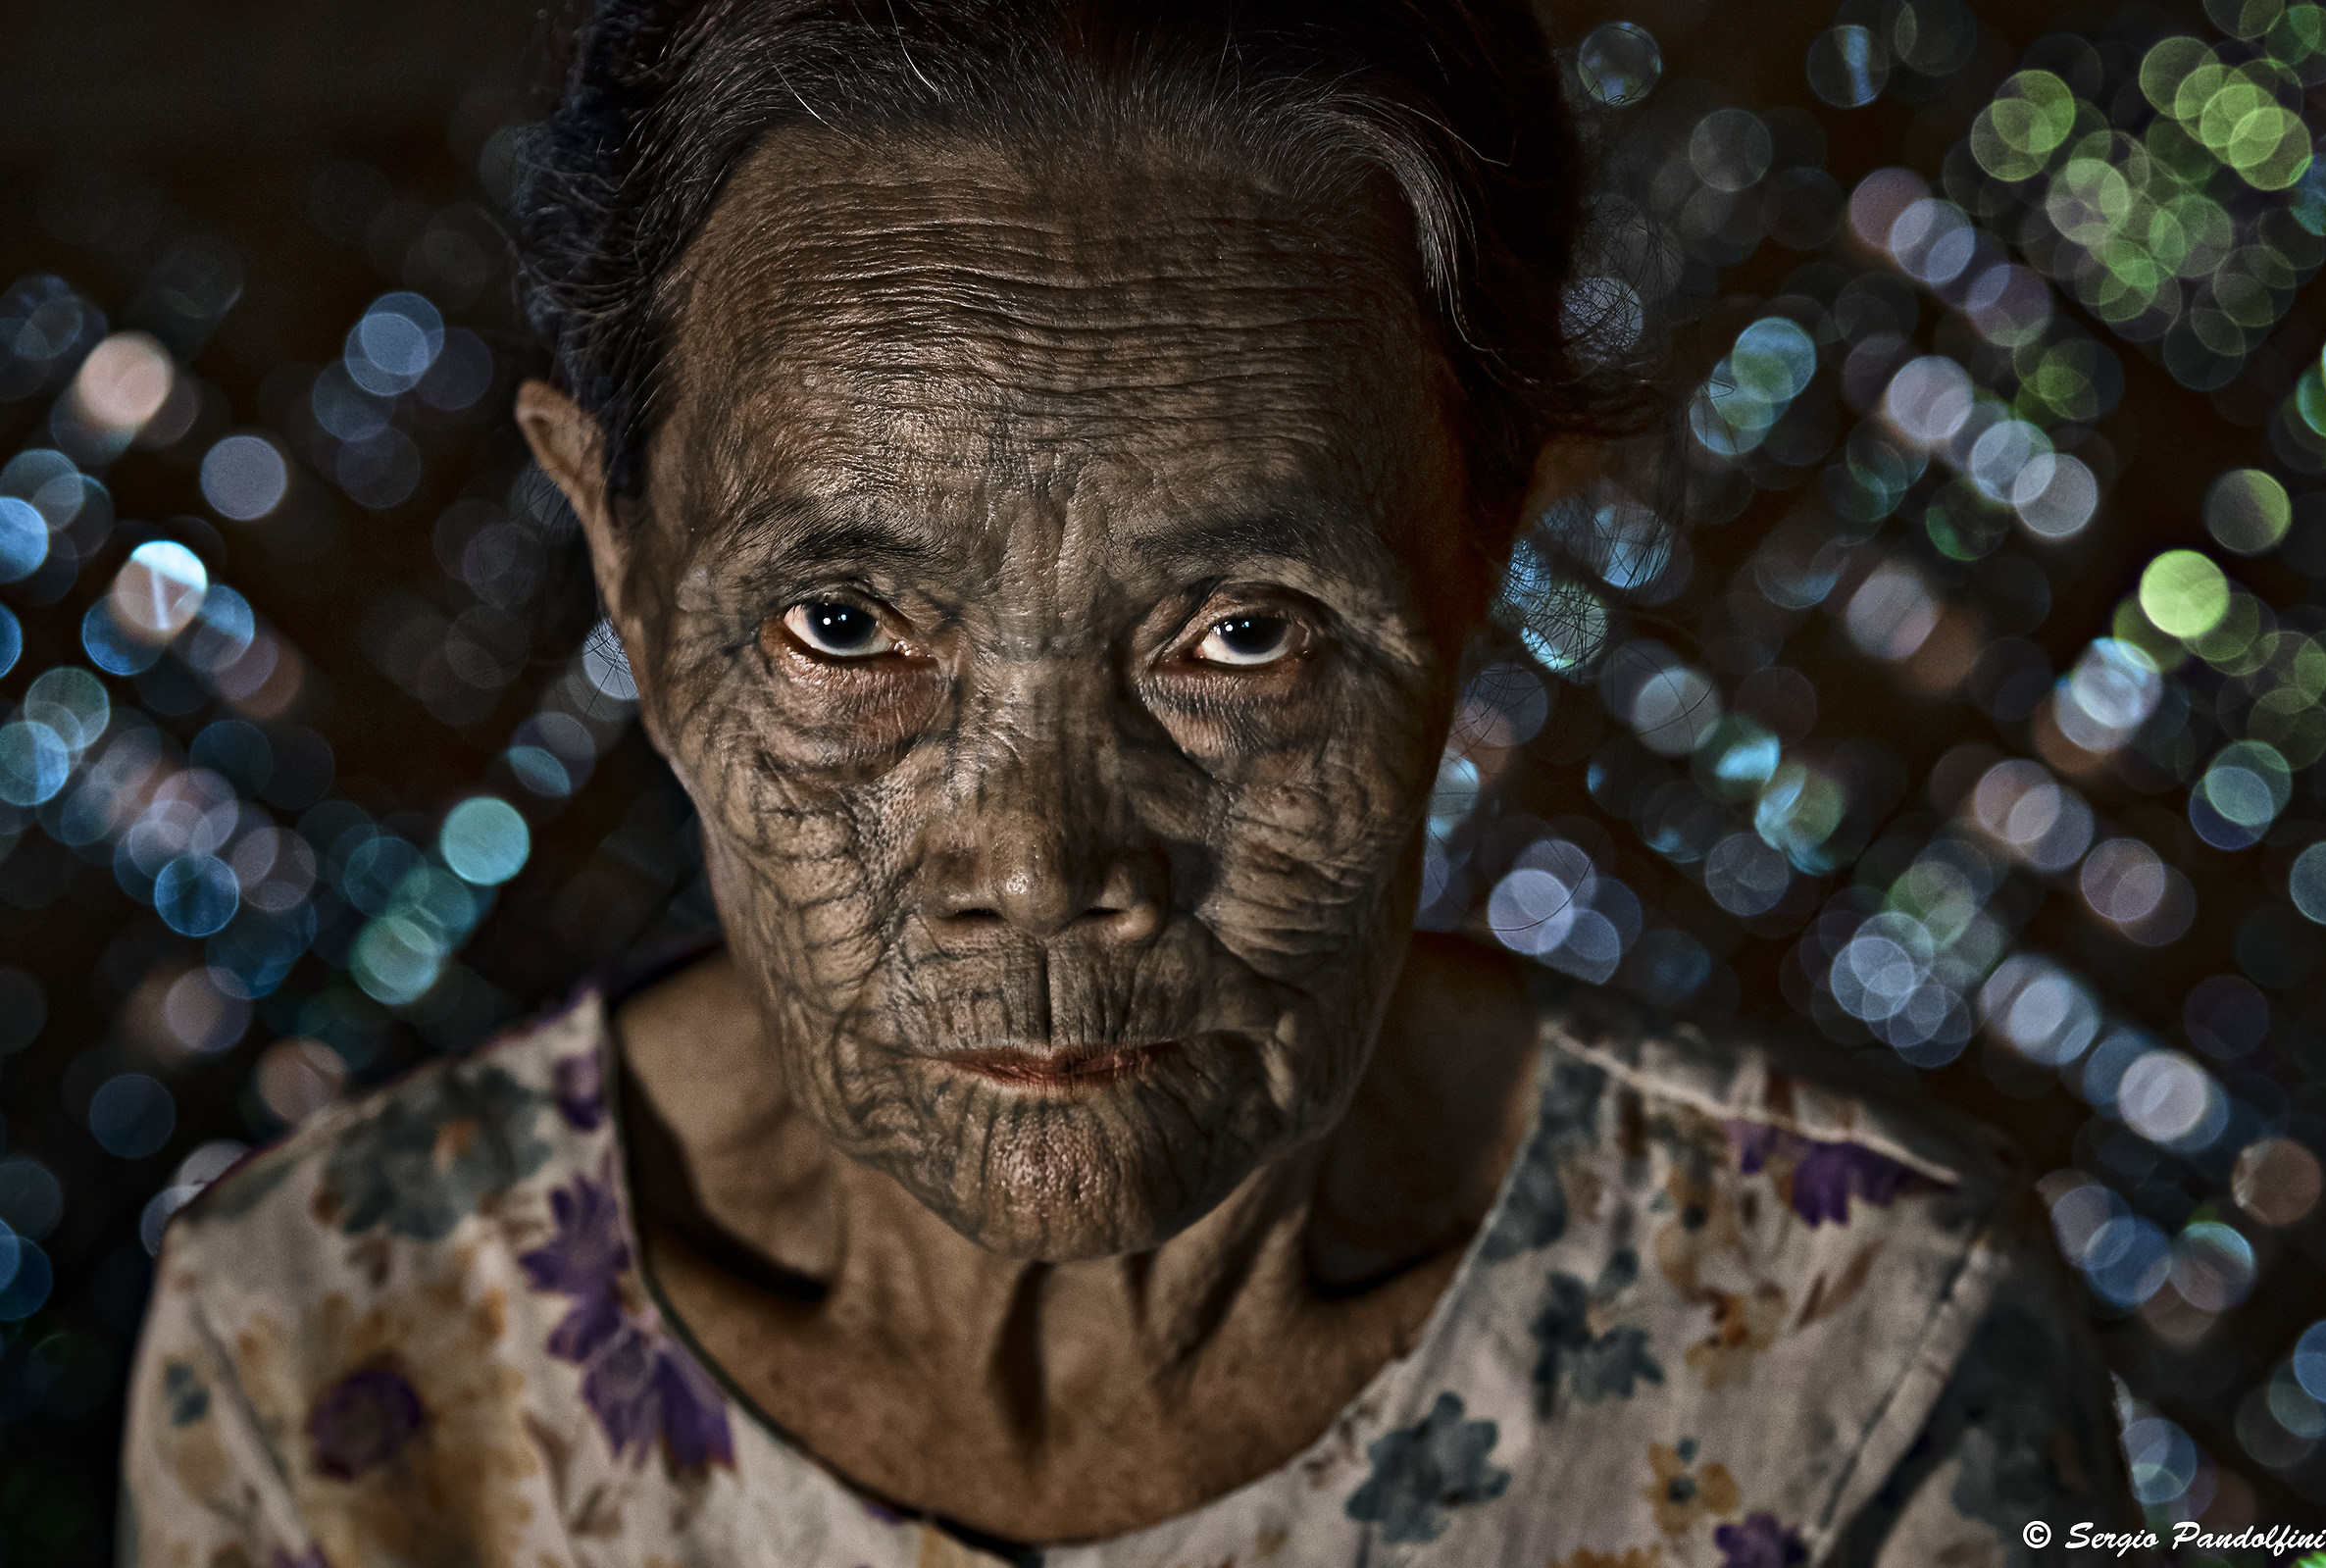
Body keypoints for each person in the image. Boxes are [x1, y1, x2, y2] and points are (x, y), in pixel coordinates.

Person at [123, 1, 2134, 1561]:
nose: (1043, 856)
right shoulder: (331, 1342)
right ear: (628, 572)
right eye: (844, 624)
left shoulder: (1861, 1327)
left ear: (1478, 558)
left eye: (1243, 631)